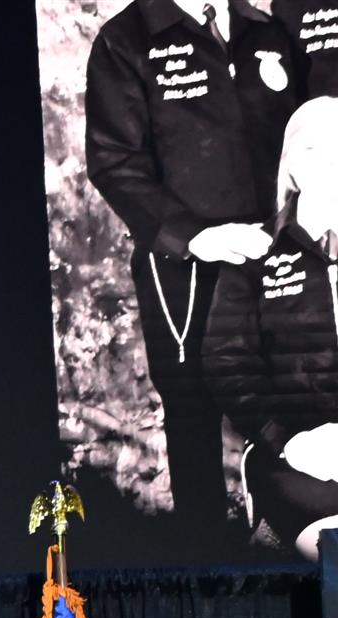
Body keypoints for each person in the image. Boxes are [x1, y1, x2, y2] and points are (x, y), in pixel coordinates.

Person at [86, 0, 310, 542]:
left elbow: (306, 142)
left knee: (297, 400)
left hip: (277, 261)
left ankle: (291, 546)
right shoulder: (126, 40)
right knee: (194, 417)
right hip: (183, 271)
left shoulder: (267, 32)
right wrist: (194, 237)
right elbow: (115, 162)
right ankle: (207, 561)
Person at [203, 94, 338, 558]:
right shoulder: (255, 255)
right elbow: (226, 363)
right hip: (291, 453)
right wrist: (289, 438)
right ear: (294, 164)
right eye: (320, 150)